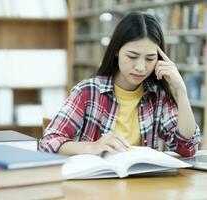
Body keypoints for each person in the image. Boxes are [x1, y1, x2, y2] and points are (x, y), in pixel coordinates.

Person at [39, 12, 200, 157]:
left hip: (145, 186)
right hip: (95, 186)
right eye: (132, 56)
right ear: (116, 50)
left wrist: (181, 91)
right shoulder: (88, 92)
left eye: (150, 58)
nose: (140, 67)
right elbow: (48, 143)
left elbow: (187, 148)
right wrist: (93, 147)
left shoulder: (157, 96)